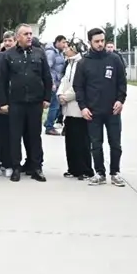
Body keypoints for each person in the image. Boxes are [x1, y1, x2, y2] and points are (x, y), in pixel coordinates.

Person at [0, 24, 52, 182]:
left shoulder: (39, 53)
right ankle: (16, 167)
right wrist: (3, 102)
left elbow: (47, 77)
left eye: (30, 34)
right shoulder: (8, 55)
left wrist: (47, 98)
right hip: (16, 102)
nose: (29, 36)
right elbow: (2, 81)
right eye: (25, 34)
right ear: (18, 37)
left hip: (35, 102)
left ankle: (36, 167)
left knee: (34, 135)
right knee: (15, 135)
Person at [74, 27, 128, 187]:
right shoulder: (84, 63)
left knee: (115, 144)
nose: (100, 44)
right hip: (93, 112)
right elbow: (79, 87)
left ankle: (115, 172)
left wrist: (121, 100)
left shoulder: (114, 60)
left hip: (113, 110)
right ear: (90, 42)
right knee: (96, 144)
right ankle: (100, 173)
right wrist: (83, 107)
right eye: (96, 41)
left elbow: (122, 82)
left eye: (102, 41)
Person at [54, 42, 94, 180]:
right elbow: (64, 81)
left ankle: (85, 169)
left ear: (74, 50)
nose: (65, 49)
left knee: (81, 141)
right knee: (70, 141)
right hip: (68, 109)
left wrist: (67, 96)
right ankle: (73, 168)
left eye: (68, 47)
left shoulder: (82, 63)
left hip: (78, 108)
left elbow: (80, 85)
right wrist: (59, 94)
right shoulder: (69, 63)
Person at [43, 35, 68, 135]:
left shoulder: (59, 53)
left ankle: (48, 123)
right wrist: (51, 82)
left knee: (57, 105)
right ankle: (49, 126)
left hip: (58, 82)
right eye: (63, 42)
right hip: (53, 83)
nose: (64, 45)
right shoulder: (51, 53)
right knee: (54, 105)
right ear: (57, 42)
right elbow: (47, 69)